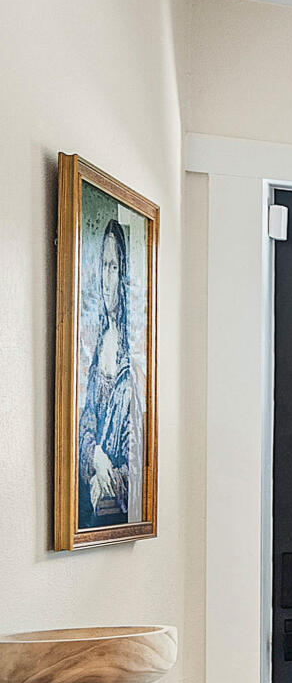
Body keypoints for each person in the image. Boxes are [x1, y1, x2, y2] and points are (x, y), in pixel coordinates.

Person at [77, 215, 139, 526]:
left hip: (113, 505)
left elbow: (137, 453)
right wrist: (95, 457)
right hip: (91, 494)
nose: (106, 277)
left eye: (113, 267)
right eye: (103, 265)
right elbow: (86, 420)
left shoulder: (133, 353)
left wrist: (109, 477)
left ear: (123, 273)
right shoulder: (99, 341)